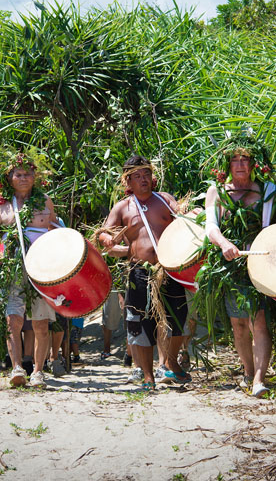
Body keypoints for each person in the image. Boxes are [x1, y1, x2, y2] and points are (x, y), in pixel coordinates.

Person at [203, 136, 276, 398]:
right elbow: (210, 226)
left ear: (254, 164)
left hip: (261, 260)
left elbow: (273, 224)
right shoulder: (216, 192)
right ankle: (248, 371)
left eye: (245, 159)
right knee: (238, 324)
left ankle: (260, 380)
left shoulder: (267, 191)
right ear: (227, 164)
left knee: (259, 321)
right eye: (235, 159)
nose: (240, 164)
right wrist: (224, 244)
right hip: (230, 264)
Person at [0, 149, 59, 388]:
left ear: (35, 177)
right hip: (12, 267)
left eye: (28, 174)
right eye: (18, 174)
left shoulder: (45, 200)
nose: (24, 178)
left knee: (40, 323)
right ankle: (17, 368)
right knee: (12, 320)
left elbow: (56, 231)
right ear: (9, 177)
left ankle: (38, 372)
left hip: (41, 269)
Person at [98, 156, 191, 390]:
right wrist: (108, 238)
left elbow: (184, 221)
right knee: (141, 323)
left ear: (153, 177)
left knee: (177, 319)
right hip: (139, 272)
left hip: (169, 270)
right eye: (137, 176)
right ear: (127, 181)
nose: (143, 180)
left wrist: (191, 212)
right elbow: (103, 234)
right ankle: (148, 376)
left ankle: (170, 362)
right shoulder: (123, 207)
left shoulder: (165, 200)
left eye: (146, 175)